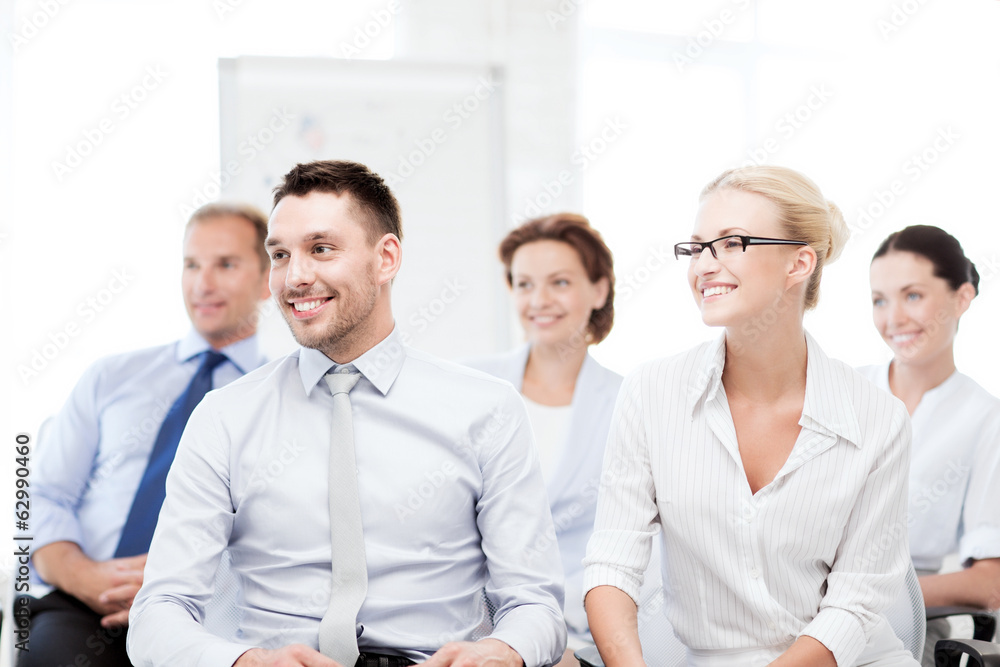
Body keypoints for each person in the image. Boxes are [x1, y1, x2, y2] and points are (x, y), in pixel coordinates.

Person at [126, 160, 566, 667]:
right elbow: (159, 611)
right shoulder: (224, 417)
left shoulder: (486, 408)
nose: (295, 277)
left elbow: (535, 604)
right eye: (280, 255)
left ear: (386, 259)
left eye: (321, 249)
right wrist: (247, 663)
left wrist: (500, 652)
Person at [583, 165, 919, 666]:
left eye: (731, 242)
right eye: (697, 247)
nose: (703, 265)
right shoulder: (651, 394)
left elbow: (856, 603)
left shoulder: (878, 421)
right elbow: (612, 561)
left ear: (799, 263)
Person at [23, 202, 272, 667]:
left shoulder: (283, 397)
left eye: (226, 264)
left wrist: (177, 586)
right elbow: (43, 496)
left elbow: (283, 534)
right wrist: (84, 577)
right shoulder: (111, 377)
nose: (204, 283)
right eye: (192, 264)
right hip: (83, 607)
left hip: (209, 616)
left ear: (267, 280)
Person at [464, 213, 622, 662]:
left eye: (560, 282)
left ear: (599, 289)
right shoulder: (470, 386)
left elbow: (635, 548)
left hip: (583, 633)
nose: (539, 300)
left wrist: (551, 635)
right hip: (472, 626)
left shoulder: (629, 402)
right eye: (524, 284)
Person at [861, 225, 1000, 666]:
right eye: (879, 300)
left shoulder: (985, 419)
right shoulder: (841, 388)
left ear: (962, 298)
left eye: (913, 296)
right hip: (795, 602)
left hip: (901, 624)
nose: (893, 318)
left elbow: (989, 584)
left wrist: (865, 593)